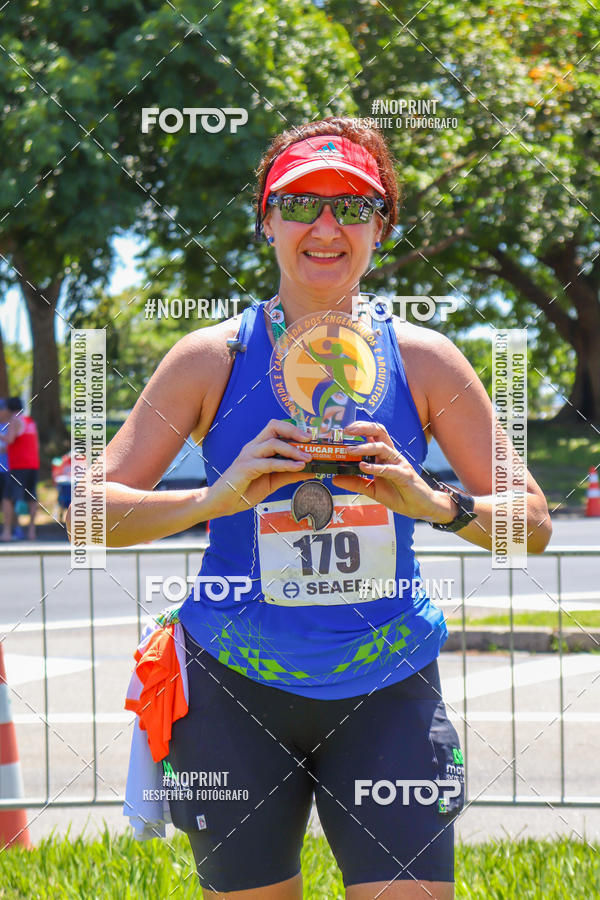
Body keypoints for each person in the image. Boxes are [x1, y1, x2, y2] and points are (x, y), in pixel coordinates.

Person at [70, 118, 552, 899]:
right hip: (234, 688)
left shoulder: (423, 359)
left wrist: (432, 502)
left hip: (387, 684)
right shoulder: (211, 358)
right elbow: (87, 514)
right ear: (266, 220)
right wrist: (214, 499)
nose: (326, 227)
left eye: (353, 207)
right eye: (300, 203)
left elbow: (532, 525)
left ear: (382, 228)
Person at [1, 396, 40, 542]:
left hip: (19, 466)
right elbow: (34, 444)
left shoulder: (14, 420)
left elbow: (10, 439)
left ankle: (6, 532)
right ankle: (31, 531)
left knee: (7, 499)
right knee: (31, 498)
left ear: (9, 409)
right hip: (33, 464)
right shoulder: (30, 421)